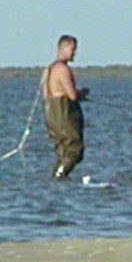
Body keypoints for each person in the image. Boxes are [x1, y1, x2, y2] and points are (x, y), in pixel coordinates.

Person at [42, 35, 89, 178]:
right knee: (74, 150)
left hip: (51, 112)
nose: (74, 53)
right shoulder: (63, 69)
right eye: (72, 49)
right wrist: (83, 93)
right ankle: (58, 177)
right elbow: (72, 95)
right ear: (63, 48)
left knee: (62, 150)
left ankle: (57, 179)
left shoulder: (48, 69)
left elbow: (45, 95)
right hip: (63, 111)